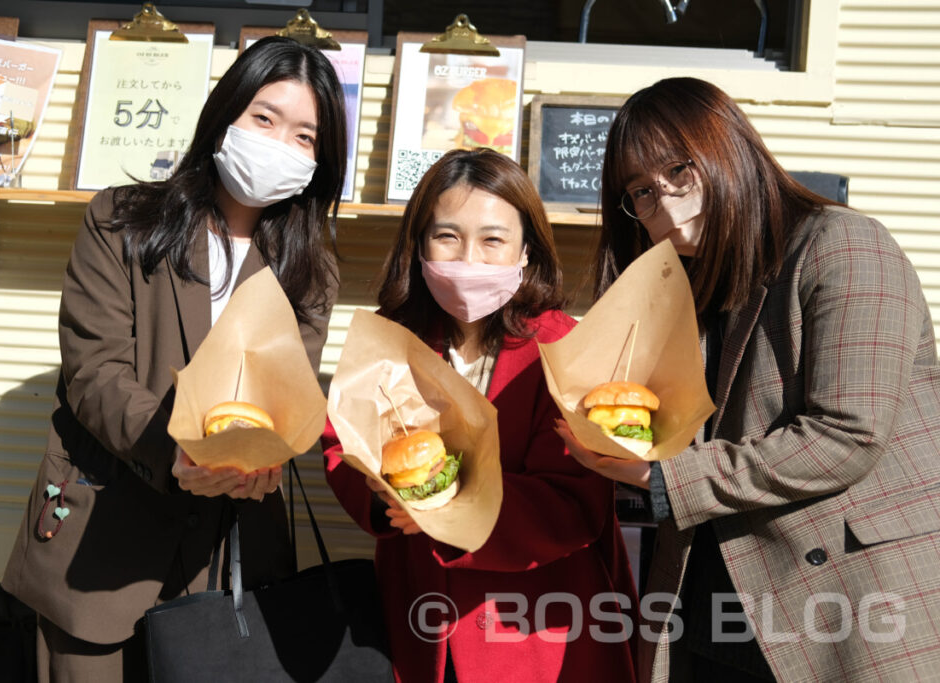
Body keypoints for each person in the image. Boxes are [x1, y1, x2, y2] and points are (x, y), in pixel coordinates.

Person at [555, 76, 940, 682]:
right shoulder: (680, 290)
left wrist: (660, 476)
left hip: (845, 604)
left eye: (680, 170)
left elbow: (847, 436)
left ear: (729, 149)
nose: (667, 204)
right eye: (641, 191)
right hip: (708, 602)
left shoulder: (845, 246)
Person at [2, 36, 347, 681]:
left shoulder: (310, 269)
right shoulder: (123, 221)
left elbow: (285, 398)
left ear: (320, 160)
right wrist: (177, 447)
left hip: (229, 560)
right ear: (225, 115)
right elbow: (93, 371)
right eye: (264, 118)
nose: (279, 143)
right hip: (101, 548)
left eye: (305, 136)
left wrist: (266, 455)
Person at [323, 148, 638, 683]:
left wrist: (453, 512)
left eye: (493, 240)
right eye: (447, 236)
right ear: (418, 243)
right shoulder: (390, 338)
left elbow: (575, 498)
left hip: (535, 624)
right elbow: (340, 444)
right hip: (419, 609)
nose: (468, 258)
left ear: (527, 252)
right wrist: (382, 501)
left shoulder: (562, 347)